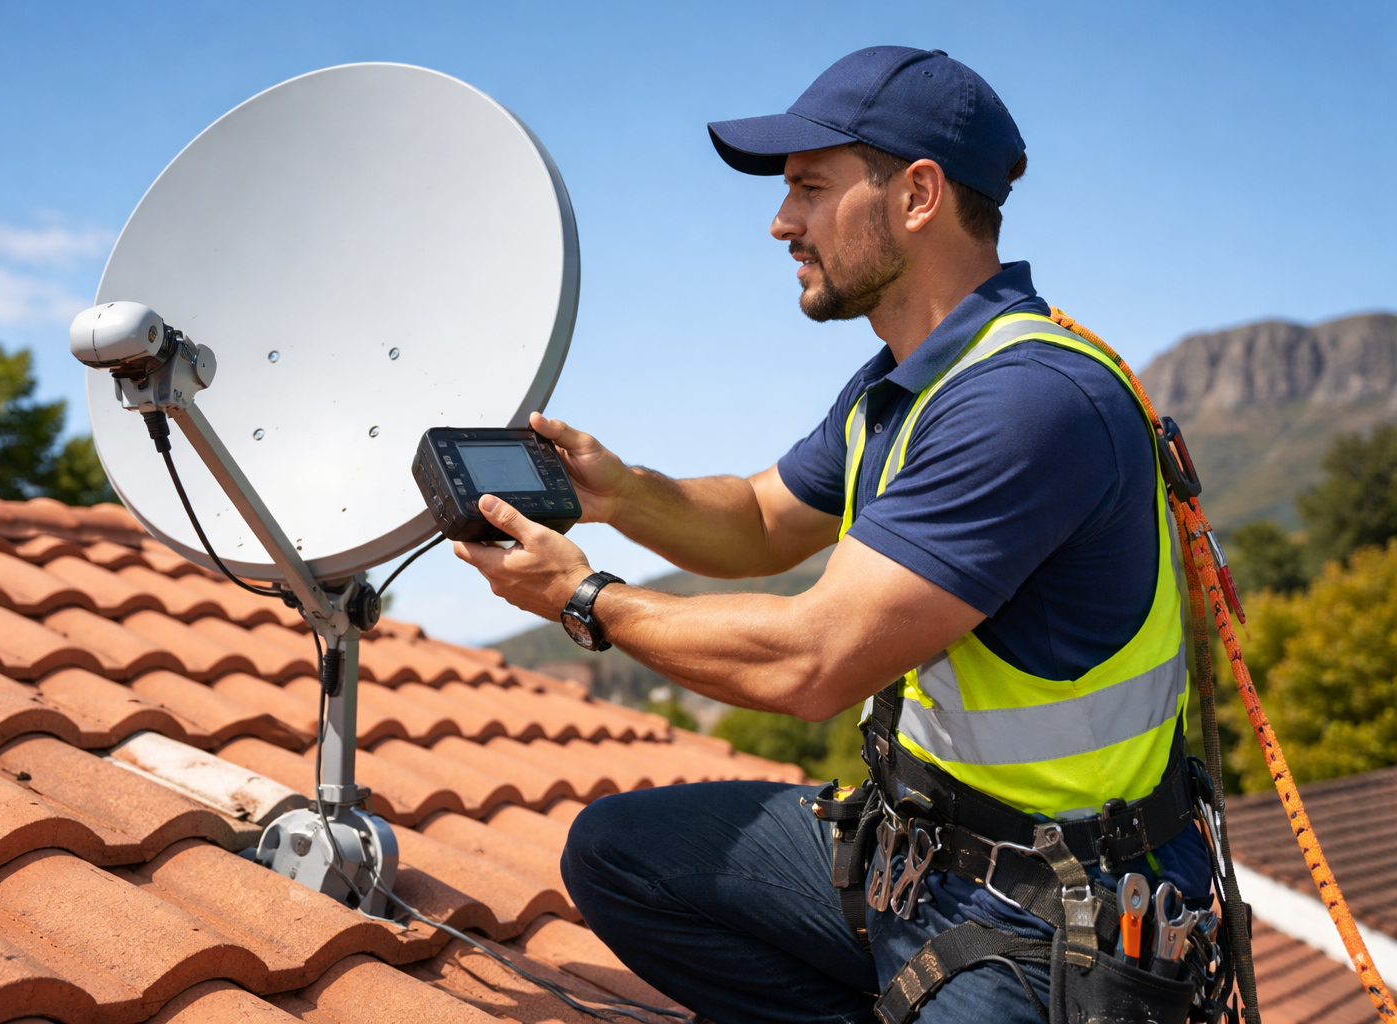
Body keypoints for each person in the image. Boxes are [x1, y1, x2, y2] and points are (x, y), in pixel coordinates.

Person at [454, 46, 1211, 1024]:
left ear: (919, 195)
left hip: (1055, 917)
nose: (781, 223)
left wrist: (583, 596)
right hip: (918, 860)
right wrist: (621, 491)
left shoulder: (1026, 401)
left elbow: (813, 663)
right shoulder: (898, 386)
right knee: (618, 856)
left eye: (810, 188)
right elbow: (766, 517)